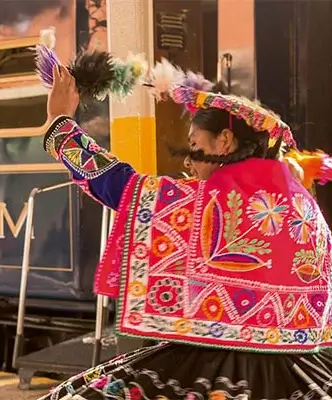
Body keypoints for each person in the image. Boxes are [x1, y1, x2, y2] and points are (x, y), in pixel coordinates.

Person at [40, 64, 332, 400]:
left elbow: (118, 184)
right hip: (299, 369)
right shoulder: (305, 209)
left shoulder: (208, 203)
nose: (190, 163)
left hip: (207, 366)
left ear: (224, 141)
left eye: (194, 145)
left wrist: (61, 124)